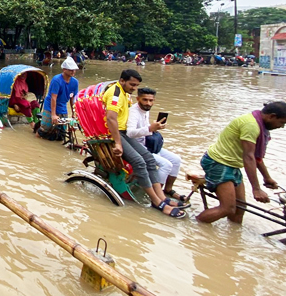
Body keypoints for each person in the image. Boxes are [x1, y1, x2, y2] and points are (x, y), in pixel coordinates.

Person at [102, 69, 188, 218]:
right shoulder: (115, 93)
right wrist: (117, 143)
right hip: (117, 133)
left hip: (123, 132)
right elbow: (110, 119)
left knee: (148, 158)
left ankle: (162, 198)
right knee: (139, 162)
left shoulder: (124, 93)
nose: (134, 87)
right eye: (132, 84)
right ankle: (156, 201)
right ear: (122, 81)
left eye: (136, 85)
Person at [196, 102, 286, 224]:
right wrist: (256, 189)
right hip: (218, 162)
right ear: (272, 116)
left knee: (239, 209)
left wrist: (267, 178)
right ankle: (194, 228)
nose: (281, 127)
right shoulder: (251, 126)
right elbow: (249, 157)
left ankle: (233, 239)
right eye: (282, 123)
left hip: (231, 164)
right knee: (227, 208)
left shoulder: (259, 124)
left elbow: (256, 157)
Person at [126, 88, 184, 201]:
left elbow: (145, 128)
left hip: (148, 144)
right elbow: (130, 133)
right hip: (137, 146)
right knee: (166, 165)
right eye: (145, 100)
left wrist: (154, 127)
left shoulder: (145, 110)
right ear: (138, 99)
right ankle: (157, 196)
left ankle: (168, 189)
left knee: (176, 160)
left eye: (151, 100)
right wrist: (149, 128)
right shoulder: (133, 112)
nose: (148, 103)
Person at [38, 57, 79, 140]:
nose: (73, 71)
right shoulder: (57, 80)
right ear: (64, 69)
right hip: (50, 105)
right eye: (71, 70)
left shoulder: (75, 82)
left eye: (74, 70)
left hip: (62, 106)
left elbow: (72, 99)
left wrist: (74, 113)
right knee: (44, 130)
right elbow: (53, 98)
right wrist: (53, 115)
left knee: (62, 132)